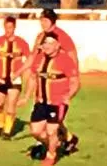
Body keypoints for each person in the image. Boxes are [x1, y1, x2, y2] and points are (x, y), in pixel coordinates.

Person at [19, 33, 80, 166]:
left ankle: (51, 155)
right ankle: (54, 144)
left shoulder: (65, 60)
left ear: (57, 45)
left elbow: (75, 82)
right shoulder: (39, 59)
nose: (46, 46)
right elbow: (33, 78)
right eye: (45, 43)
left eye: (50, 43)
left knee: (52, 131)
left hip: (57, 103)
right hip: (41, 102)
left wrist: (68, 96)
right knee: (35, 131)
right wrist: (26, 96)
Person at [25, 8, 79, 151]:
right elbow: (33, 55)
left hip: (56, 80)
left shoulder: (62, 37)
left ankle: (52, 146)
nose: (42, 23)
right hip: (42, 77)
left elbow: (72, 57)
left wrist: (73, 78)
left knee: (52, 120)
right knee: (47, 117)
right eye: (41, 20)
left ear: (52, 21)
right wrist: (22, 71)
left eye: (45, 20)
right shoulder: (40, 37)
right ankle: (67, 139)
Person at [0, 17, 31, 139]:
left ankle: (7, 131)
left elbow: (30, 59)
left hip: (14, 79)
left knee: (11, 106)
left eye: (10, 28)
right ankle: (1, 125)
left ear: (14, 28)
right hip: (0, 78)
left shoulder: (22, 43)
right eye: (6, 28)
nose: (8, 30)